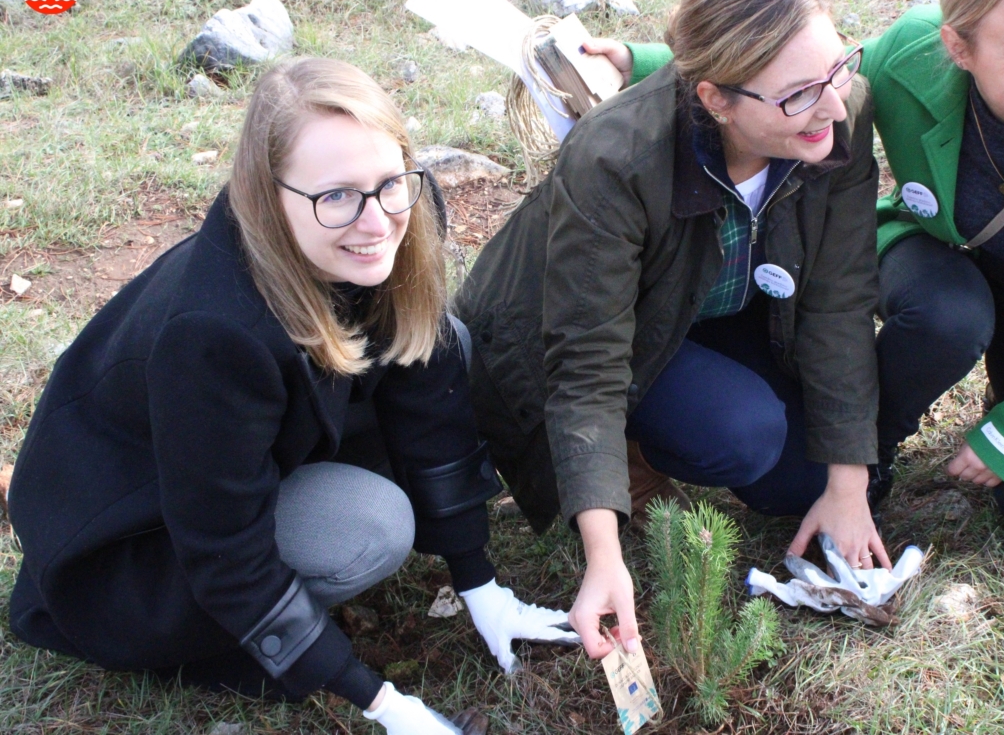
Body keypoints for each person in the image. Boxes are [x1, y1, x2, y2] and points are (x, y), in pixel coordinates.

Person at [7, 57, 577, 735]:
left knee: (444, 337)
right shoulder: (215, 336)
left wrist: (480, 584)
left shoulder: (396, 208)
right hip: (134, 536)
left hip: (248, 451)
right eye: (335, 195)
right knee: (370, 529)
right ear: (266, 195)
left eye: (390, 181)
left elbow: (426, 391)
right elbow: (225, 552)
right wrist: (383, 703)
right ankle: (216, 637)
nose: (376, 221)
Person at [609, 0, 1004, 553]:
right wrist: (630, 63)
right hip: (931, 260)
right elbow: (792, 73)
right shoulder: (914, 53)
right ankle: (868, 451)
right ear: (957, 48)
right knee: (950, 313)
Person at [455, 0, 885, 663]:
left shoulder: (838, 113)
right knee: (741, 433)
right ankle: (632, 452)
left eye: (839, 70)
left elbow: (840, 299)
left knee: (803, 480)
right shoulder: (614, 159)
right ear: (715, 98)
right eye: (800, 93)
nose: (833, 105)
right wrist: (604, 551)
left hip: (707, 308)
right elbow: (585, 366)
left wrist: (849, 482)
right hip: (569, 332)